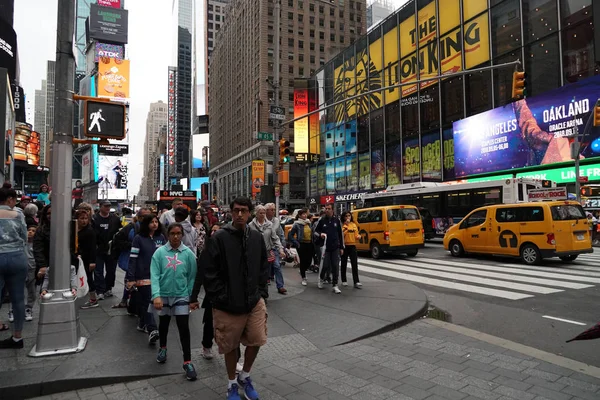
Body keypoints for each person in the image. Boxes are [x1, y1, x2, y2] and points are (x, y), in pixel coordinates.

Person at [194, 197, 268, 400]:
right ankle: (232, 384)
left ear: (250, 212)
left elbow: (263, 266)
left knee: (257, 339)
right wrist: (221, 296)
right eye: (236, 211)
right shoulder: (220, 238)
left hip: (253, 300)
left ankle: (245, 375)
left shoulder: (255, 237)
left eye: (244, 210)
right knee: (230, 345)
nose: (240, 214)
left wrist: (262, 292)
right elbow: (208, 270)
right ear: (231, 213)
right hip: (227, 304)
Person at [151, 223, 197, 381]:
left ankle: (188, 361)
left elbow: (192, 276)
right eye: (172, 233)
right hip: (163, 295)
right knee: (163, 325)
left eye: (178, 233)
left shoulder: (188, 254)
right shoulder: (159, 253)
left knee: (184, 328)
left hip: (181, 295)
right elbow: (154, 275)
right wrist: (156, 295)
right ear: (168, 235)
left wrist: (191, 297)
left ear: (182, 235)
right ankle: (163, 348)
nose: (176, 237)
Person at [126, 214, 166, 344]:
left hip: (158, 275)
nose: (155, 224)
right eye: (151, 222)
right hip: (142, 275)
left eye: (156, 221)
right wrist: (130, 277)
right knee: (149, 301)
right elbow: (133, 258)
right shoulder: (138, 239)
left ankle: (142, 323)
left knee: (145, 303)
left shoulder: (161, 238)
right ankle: (152, 330)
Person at [0, 185, 28, 348]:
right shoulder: (18, 213)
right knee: (18, 299)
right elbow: (24, 235)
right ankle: (17, 337)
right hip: (17, 257)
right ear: (9, 199)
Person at [111, 207, 152, 308]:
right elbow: (118, 240)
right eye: (144, 216)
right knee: (130, 278)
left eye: (149, 216)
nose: (147, 219)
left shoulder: (156, 228)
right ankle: (126, 300)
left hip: (148, 260)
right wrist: (132, 245)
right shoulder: (131, 227)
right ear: (138, 217)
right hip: (133, 258)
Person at [249, 205, 286, 294]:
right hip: (255, 253)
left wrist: (280, 249)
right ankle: (256, 292)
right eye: (260, 213)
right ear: (256, 214)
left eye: (264, 213)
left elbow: (275, 238)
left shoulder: (270, 224)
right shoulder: (250, 225)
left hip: (268, 251)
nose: (262, 215)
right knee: (256, 273)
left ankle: (267, 292)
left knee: (268, 271)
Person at [92, 200, 122, 300]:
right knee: (98, 271)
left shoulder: (115, 219)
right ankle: (100, 290)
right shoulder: (94, 219)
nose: (107, 208)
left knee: (111, 271)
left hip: (111, 249)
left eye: (109, 206)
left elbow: (120, 231)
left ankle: (108, 288)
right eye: (105, 206)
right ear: (100, 207)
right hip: (99, 249)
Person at [314, 204, 344, 294]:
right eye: (326, 209)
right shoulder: (322, 220)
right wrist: (320, 235)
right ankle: (322, 278)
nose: (327, 210)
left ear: (332, 210)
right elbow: (315, 231)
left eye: (329, 209)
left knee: (335, 266)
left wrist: (342, 247)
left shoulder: (337, 221)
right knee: (325, 265)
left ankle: (335, 285)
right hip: (325, 247)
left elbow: (340, 235)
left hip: (335, 247)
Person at [76, 209, 99, 309]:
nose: (84, 221)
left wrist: (92, 261)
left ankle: (93, 299)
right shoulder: (75, 229)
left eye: (86, 218)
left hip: (87, 259)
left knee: (89, 278)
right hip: (78, 258)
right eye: (81, 218)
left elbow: (93, 247)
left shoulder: (90, 231)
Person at [288, 208, 314, 286]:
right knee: (303, 260)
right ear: (299, 215)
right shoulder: (297, 224)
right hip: (301, 244)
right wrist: (296, 243)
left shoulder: (309, 223)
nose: (305, 215)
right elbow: (290, 235)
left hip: (309, 243)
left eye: (305, 214)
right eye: (303, 214)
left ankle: (303, 270)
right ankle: (303, 277)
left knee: (309, 260)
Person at [264, 203, 286, 288]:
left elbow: (280, 234)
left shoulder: (276, 221)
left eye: (274, 209)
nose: (273, 211)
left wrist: (282, 247)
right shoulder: (262, 221)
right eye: (271, 209)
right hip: (265, 248)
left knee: (277, 265)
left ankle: (280, 286)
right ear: (266, 211)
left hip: (275, 247)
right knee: (265, 267)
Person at [340, 211, 362, 289]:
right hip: (345, 245)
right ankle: (344, 280)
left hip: (352, 245)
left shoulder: (353, 225)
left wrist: (358, 236)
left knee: (354, 264)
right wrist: (346, 226)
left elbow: (356, 234)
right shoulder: (342, 225)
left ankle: (356, 281)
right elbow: (341, 234)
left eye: (349, 216)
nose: (348, 217)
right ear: (343, 217)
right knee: (344, 263)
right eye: (346, 216)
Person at [33, 205, 51, 289]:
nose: (50, 215)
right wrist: (42, 266)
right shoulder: (41, 230)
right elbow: (38, 249)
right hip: (46, 264)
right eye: (48, 213)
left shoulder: (67, 228)